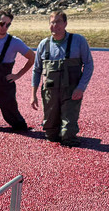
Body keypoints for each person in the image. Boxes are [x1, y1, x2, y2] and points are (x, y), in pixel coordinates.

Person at [31, 9, 94, 147]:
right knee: (50, 135)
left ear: (65, 23)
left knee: (67, 135)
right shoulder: (43, 44)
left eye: (58, 22)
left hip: (72, 92)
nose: (55, 25)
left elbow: (89, 65)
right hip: (50, 94)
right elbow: (36, 70)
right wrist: (33, 94)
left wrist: (81, 88)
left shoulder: (78, 41)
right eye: (52, 22)